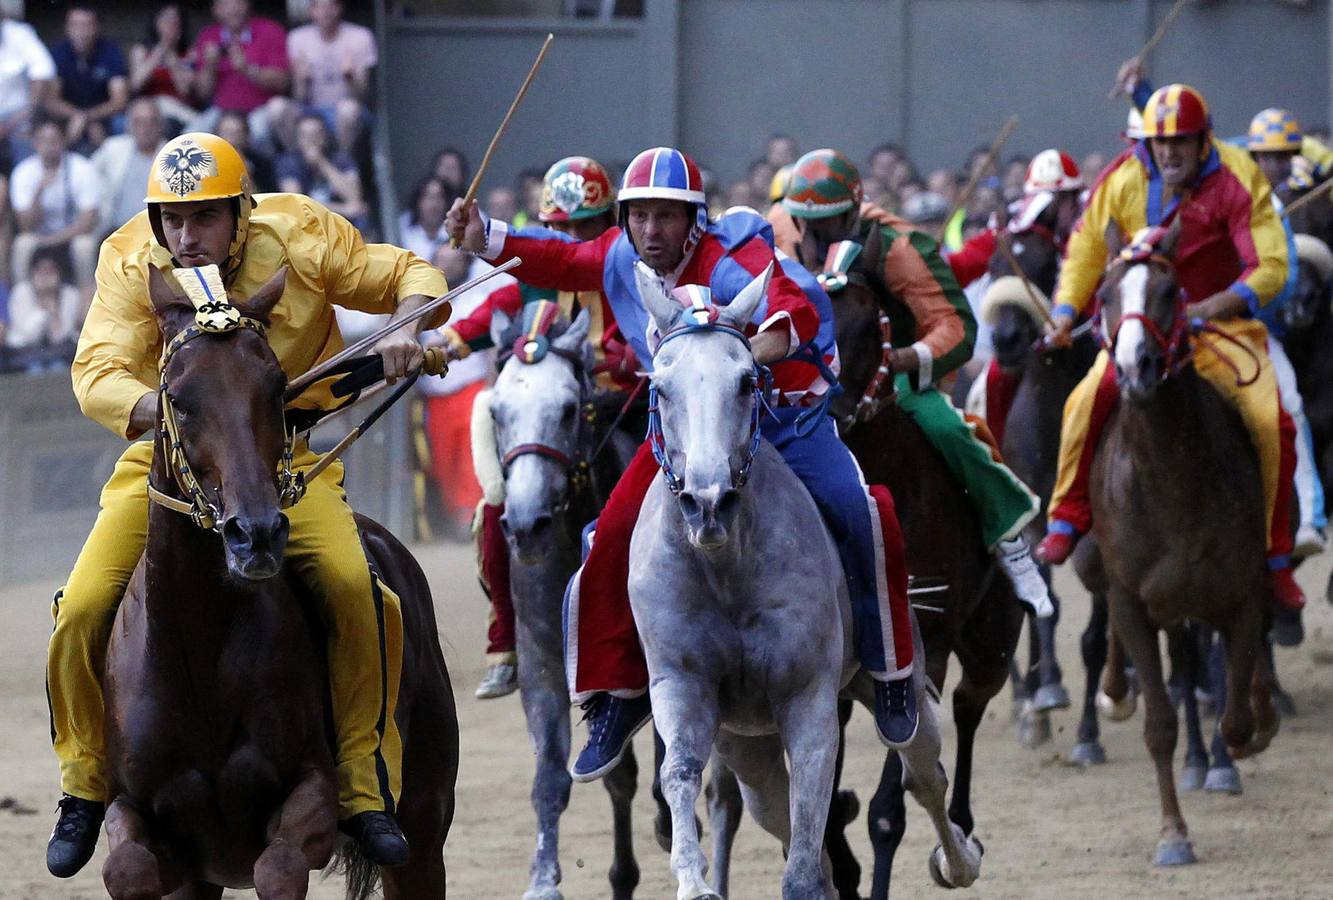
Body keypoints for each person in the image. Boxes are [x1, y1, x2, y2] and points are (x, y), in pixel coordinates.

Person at [45, 132, 447, 877]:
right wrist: (167, 411)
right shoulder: (130, 258)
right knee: (80, 607)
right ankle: (83, 784)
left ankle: (361, 783)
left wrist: (411, 324)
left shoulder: (299, 234)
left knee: (360, 589)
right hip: (166, 458)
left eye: (201, 218)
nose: (184, 237)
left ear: (240, 212)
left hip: (285, 459)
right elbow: (96, 370)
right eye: (171, 219)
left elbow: (407, 272)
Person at [448, 146, 920, 779]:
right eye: (638, 216)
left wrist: (747, 353)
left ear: (696, 218)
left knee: (862, 510)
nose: (650, 231)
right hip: (686, 431)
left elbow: (794, 306)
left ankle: (890, 668)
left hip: (779, 413)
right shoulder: (621, 253)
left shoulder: (732, 255)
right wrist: (485, 236)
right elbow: (565, 257)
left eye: (666, 217)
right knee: (607, 536)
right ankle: (615, 694)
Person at [1034, 84, 1305, 611]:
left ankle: (1275, 556)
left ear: (1203, 139)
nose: (1170, 151)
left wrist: (1214, 305)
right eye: (1161, 141)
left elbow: (1271, 265)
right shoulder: (1120, 179)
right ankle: (1066, 517)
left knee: (1273, 421)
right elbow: (1086, 251)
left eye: (1181, 140)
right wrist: (1066, 312)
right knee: (1083, 400)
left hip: (1219, 330)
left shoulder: (1237, 177)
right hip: (1143, 330)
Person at [776, 148, 1054, 618]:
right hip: (810, 379)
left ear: (854, 210)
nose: (816, 236)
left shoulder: (900, 248)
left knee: (944, 427)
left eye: (829, 222)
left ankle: (1009, 540)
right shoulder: (780, 237)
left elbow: (956, 327)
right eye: (806, 222)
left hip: (891, 376)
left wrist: (897, 358)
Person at [437, 156, 629, 701]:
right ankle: (507, 636)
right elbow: (476, 322)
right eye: (558, 229)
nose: (569, 239)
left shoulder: (626, 267)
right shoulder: (528, 281)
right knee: (494, 507)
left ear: (609, 222)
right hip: (551, 427)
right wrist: (434, 349)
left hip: (624, 410)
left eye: (583, 227)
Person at [1245, 108, 1328, 556]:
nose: (1274, 166)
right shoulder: (1230, 190)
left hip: (1259, 331)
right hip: (1203, 324)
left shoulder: (1288, 202)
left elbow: (1288, 275)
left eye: (1284, 157)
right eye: (1266, 157)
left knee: (1292, 405)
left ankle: (1310, 520)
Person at [9, 117, 100, 298]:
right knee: (22, 245)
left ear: (63, 142)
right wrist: (38, 193)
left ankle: (87, 302)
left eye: (54, 141)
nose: (49, 146)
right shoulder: (24, 172)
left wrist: (51, 241)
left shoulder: (82, 168)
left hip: (72, 235)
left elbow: (87, 223)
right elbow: (25, 226)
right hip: (39, 235)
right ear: (35, 143)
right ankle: (23, 301)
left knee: (84, 245)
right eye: (43, 141)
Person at [188, 0, 290, 151]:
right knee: (191, 136)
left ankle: (260, 172)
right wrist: (210, 67)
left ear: (248, 4)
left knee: (258, 133)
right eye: (226, 4)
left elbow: (284, 82)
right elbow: (203, 93)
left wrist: (247, 69)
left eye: (238, 2)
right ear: (216, 10)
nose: (233, 8)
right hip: (221, 110)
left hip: (260, 108)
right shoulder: (208, 36)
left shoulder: (270, 30)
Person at [43, 5, 129, 153]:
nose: (81, 32)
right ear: (67, 28)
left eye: (87, 25)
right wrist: (78, 116)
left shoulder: (111, 51)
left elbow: (120, 101)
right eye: (75, 25)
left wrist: (87, 118)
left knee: (122, 122)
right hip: (68, 117)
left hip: (103, 116)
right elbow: (51, 100)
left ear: (97, 27)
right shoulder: (58, 53)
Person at [284, 0, 375, 133]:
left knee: (348, 109)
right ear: (312, 11)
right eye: (320, 7)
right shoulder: (297, 38)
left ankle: (344, 154)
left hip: (347, 109)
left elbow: (362, 95)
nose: (325, 12)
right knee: (278, 108)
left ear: (340, 8)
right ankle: (295, 153)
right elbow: (299, 97)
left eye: (331, 6)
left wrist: (349, 77)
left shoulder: (360, 36)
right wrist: (303, 81)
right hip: (311, 109)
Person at [276, 111, 367, 228]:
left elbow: (354, 196)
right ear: (298, 138)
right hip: (309, 226)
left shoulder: (341, 159)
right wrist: (344, 209)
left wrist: (322, 162)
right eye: (306, 136)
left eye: (316, 135)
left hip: (343, 225)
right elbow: (297, 205)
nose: (311, 140)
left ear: (325, 135)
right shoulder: (288, 163)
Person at [90, 97, 165, 237]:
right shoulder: (113, 148)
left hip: (156, 233)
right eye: (139, 122)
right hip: (115, 230)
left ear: (160, 125)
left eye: (151, 122)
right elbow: (87, 175)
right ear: (129, 125)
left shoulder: (171, 155)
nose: (145, 128)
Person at [0, 7, 57, 172]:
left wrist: (12, 122)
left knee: (27, 138)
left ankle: (25, 188)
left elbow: (44, 71)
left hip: (19, 115)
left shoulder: (20, 34)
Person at [4, 246, 81, 365]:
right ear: (32, 272)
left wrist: (52, 305)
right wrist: (42, 303)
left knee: (58, 365)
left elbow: (62, 337)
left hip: (61, 354)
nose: (45, 276)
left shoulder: (70, 294)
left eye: (50, 271)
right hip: (25, 354)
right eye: (40, 270)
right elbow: (29, 335)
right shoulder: (21, 292)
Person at [128, 3, 198, 131]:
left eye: (175, 20)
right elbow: (135, 85)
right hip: (148, 109)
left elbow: (185, 91)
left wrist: (172, 59)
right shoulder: (142, 50)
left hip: (180, 111)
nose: (170, 25)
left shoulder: (190, 53)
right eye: (165, 19)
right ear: (156, 23)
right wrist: (160, 51)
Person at [216, 108, 277, 192]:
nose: (232, 140)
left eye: (238, 133)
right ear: (217, 134)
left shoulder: (261, 164)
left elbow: (267, 196)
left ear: (246, 136)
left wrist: (249, 176)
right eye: (227, 132)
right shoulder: (209, 164)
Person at [400, 174, 455, 264]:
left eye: (439, 197)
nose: (434, 204)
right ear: (418, 202)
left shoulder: (458, 233)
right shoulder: (403, 233)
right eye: (428, 197)